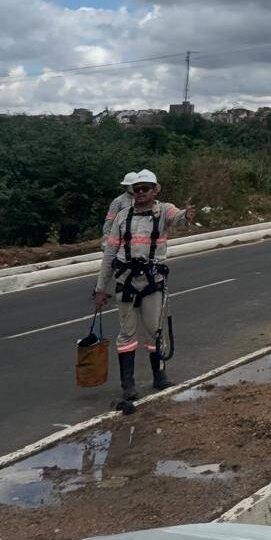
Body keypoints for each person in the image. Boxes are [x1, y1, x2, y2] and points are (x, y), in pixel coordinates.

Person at [93, 169, 193, 401]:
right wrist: (100, 289)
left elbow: (177, 218)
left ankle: (159, 376)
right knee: (126, 334)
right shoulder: (122, 216)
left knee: (154, 331)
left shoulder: (163, 211)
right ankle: (128, 384)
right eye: (136, 189)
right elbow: (109, 254)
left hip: (152, 282)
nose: (140, 192)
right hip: (125, 282)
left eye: (145, 188)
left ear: (154, 190)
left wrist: (186, 215)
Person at [102, 172, 138, 242]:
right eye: (132, 185)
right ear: (127, 186)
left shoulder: (142, 199)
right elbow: (109, 221)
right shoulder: (118, 201)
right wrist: (107, 239)